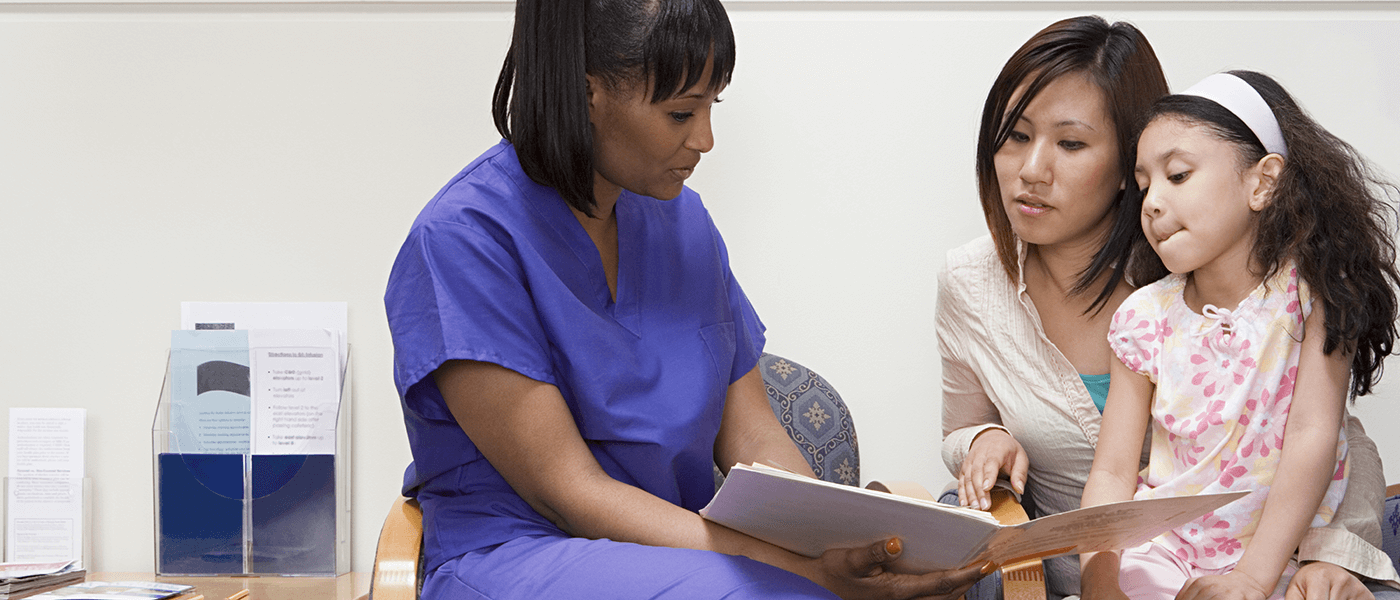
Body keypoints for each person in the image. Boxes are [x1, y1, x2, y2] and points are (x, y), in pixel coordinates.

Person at [384, 0, 988, 598]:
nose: (705, 138)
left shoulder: (684, 223)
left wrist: (835, 540)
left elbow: (755, 440)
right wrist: (800, 570)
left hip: (683, 549)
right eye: (680, 113)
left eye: (711, 105)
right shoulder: (464, 239)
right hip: (520, 553)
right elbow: (568, 491)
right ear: (588, 93)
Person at [936, 16, 1400, 600]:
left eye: (1072, 142)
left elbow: (1326, 436)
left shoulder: (1221, 261)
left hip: (1283, 553)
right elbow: (965, 430)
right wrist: (982, 438)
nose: (1032, 170)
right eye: (1016, 136)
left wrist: (1325, 560)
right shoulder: (983, 285)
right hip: (1131, 565)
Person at [1079, 70, 1400, 600]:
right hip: (1167, 553)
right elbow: (1113, 471)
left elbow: (1311, 437)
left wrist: (1253, 578)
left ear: (1263, 182)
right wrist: (1099, 574)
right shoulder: (1144, 318)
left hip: (1285, 553)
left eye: (1177, 175)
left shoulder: (1314, 294)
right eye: (1143, 186)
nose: (1152, 202)